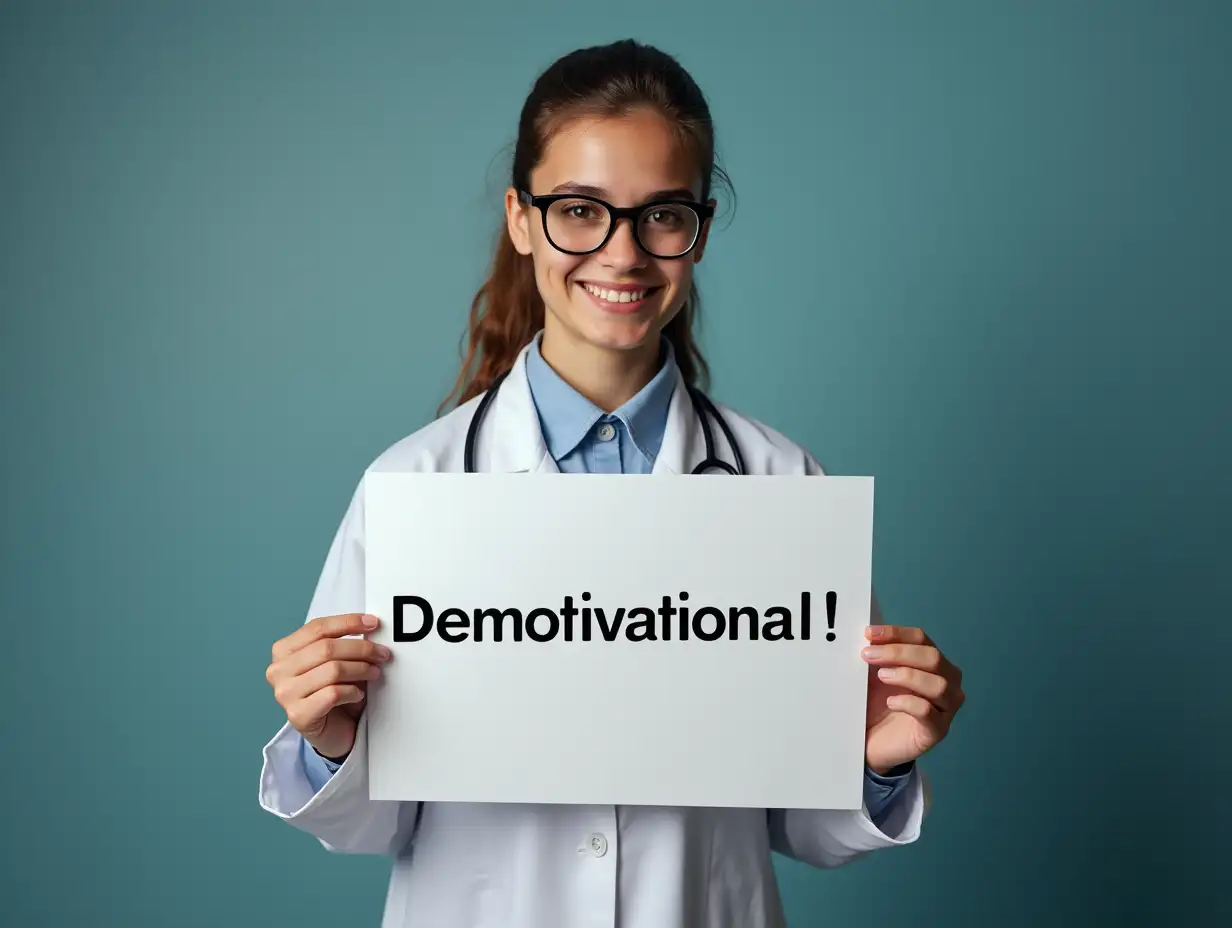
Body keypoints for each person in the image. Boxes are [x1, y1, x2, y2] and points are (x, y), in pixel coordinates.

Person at [259, 38, 965, 928]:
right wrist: (330, 743)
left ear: (699, 228)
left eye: (662, 214)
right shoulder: (416, 485)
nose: (623, 253)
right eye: (581, 211)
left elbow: (809, 825)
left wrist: (879, 759)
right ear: (522, 219)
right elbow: (374, 821)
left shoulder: (780, 487)